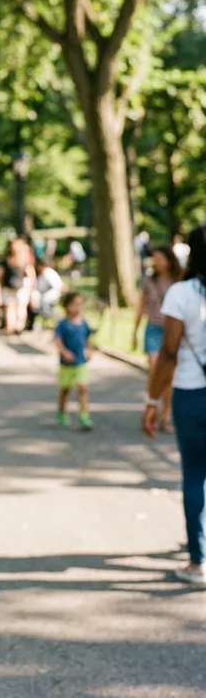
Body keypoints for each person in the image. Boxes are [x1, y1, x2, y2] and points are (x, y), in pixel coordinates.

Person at [142, 225, 206, 586]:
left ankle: (199, 561)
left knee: (195, 475)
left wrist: (152, 400)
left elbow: (169, 352)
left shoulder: (183, 293)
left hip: (191, 392)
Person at [133, 246, 182, 433]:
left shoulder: (179, 281)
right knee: (155, 369)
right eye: (154, 258)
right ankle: (151, 406)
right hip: (153, 329)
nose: (156, 262)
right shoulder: (148, 280)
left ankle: (165, 416)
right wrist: (135, 331)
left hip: (171, 330)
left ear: (169, 260)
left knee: (169, 376)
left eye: (160, 258)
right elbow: (141, 305)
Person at [55, 292, 94, 431]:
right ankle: (61, 411)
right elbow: (57, 340)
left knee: (83, 388)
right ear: (66, 306)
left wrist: (89, 350)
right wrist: (64, 352)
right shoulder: (63, 324)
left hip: (80, 363)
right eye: (74, 304)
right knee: (65, 389)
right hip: (66, 365)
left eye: (80, 304)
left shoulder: (84, 323)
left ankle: (84, 415)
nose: (78, 307)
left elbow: (88, 338)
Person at [1, 238, 35, 334]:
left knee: (10, 309)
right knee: (21, 307)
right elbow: (31, 275)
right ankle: (19, 326)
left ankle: (10, 327)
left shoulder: (7, 260)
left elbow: (1, 274)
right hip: (21, 287)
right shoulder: (25, 261)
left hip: (8, 287)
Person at [27, 260, 63, 331]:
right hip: (43, 296)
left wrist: (41, 298)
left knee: (45, 310)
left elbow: (57, 286)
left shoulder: (48, 273)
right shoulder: (42, 274)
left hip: (49, 297)